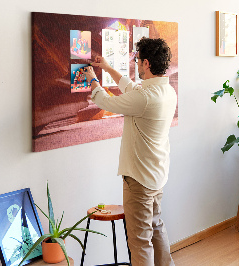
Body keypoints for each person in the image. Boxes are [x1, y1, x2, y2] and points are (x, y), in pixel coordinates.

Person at [81, 37, 176, 266]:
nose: (135, 66)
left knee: (140, 241)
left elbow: (106, 101)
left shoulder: (144, 98)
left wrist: (92, 78)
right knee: (156, 229)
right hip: (156, 175)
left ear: (146, 63)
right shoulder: (166, 91)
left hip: (139, 179)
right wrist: (107, 67)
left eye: (137, 61)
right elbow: (131, 88)